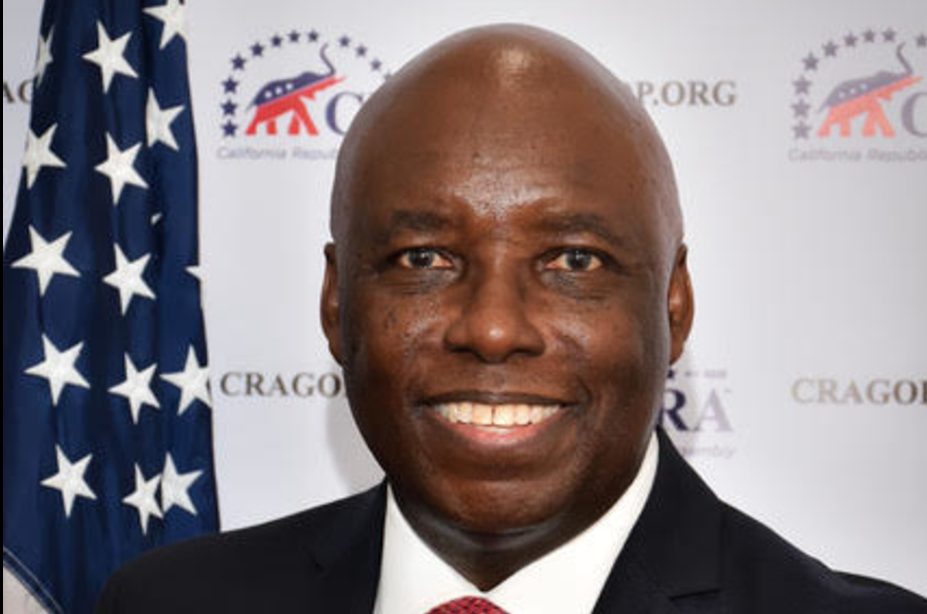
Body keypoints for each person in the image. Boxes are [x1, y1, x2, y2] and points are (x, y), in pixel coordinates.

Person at [96, 24, 927, 614]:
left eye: (574, 261)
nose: (492, 330)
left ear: (673, 308)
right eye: (424, 258)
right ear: (336, 302)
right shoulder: (168, 602)